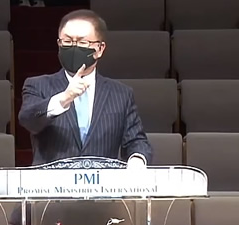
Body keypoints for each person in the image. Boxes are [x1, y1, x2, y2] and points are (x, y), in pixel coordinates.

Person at [19, 9, 152, 166]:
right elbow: (28, 119)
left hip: (102, 180)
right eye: (67, 41)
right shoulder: (37, 85)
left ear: (100, 49)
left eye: (82, 43)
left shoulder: (121, 94)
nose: (74, 47)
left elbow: (136, 141)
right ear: (59, 44)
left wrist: (137, 159)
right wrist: (64, 98)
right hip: (52, 180)